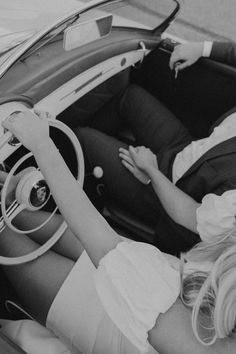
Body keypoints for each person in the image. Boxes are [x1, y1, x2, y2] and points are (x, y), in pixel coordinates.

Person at [0, 110, 236, 354]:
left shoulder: (194, 342)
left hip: (97, 317)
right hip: (146, 268)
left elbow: (99, 239)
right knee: (20, 216)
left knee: (5, 238)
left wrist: (41, 143)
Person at [75, 40, 236, 255]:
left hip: (170, 196)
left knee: (82, 138)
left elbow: (191, 216)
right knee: (129, 97)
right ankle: (87, 172)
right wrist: (202, 48)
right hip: (186, 152)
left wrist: (152, 172)